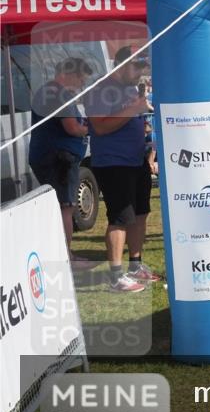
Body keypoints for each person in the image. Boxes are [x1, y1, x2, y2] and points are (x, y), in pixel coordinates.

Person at [85, 47, 162, 292]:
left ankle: (135, 265)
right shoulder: (99, 90)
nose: (140, 73)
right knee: (119, 218)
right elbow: (100, 127)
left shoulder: (130, 89)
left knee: (140, 213)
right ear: (121, 64)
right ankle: (116, 277)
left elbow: (131, 118)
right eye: (137, 67)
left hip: (136, 160)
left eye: (143, 67)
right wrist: (134, 110)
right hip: (113, 163)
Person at [28, 57, 95, 268]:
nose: (82, 85)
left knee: (62, 206)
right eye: (81, 80)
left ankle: (64, 254)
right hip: (58, 159)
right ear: (69, 74)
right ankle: (67, 258)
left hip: (53, 157)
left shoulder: (50, 92)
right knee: (66, 206)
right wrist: (91, 129)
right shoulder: (58, 94)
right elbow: (72, 128)